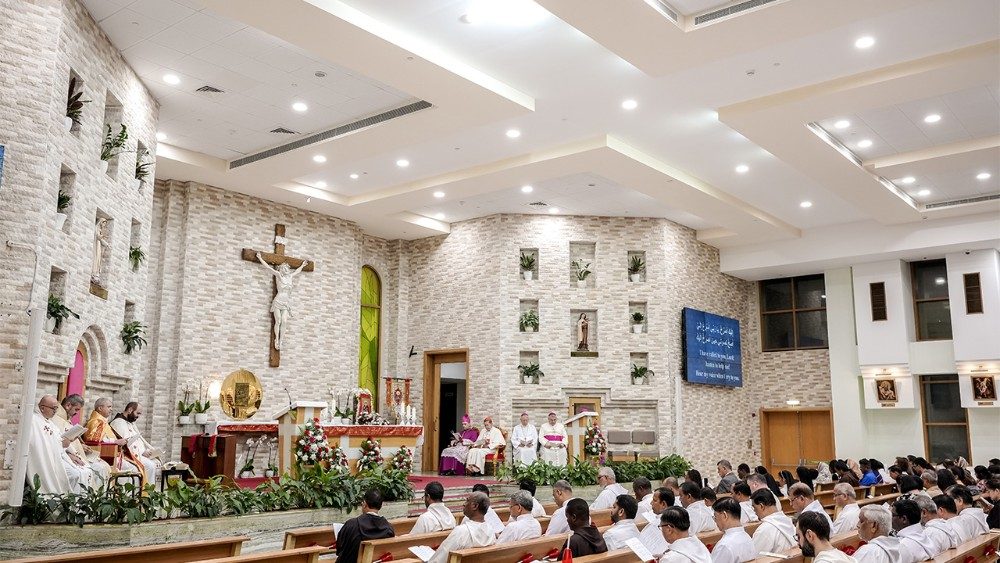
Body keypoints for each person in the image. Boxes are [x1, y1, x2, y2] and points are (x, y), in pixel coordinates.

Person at [83, 397, 146, 485]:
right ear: (100, 408)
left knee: (134, 467)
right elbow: (94, 441)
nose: (111, 409)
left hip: (110, 454)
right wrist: (116, 442)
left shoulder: (102, 421)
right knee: (133, 468)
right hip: (101, 455)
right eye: (109, 407)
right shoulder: (97, 422)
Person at [53, 393, 109, 489]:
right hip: (64, 455)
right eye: (76, 409)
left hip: (75, 453)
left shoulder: (66, 419)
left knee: (103, 466)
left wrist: (81, 446)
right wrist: (74, 450)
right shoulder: (57, 420)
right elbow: (58, 441)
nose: (76, 413)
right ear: (68, 405)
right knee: (92, 470)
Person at [27, 395, 77, 494]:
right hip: (44, 460)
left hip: (56, 457)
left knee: (78, 472)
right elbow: (37, 444)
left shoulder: (50, 423)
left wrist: (66, 444)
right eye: (53, 408)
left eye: (56, 408)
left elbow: (58, 442)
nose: (55, 411)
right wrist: (62, 445)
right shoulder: (34, 421)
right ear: (42, 408)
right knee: (73, 474)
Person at [428, 492, 496, 563]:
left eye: (467, 501)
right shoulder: (490, 530)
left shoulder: (461, 531)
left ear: (475, 506)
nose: (464, 504)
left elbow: (439, 559)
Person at [335, 489, 395, 563]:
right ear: (381, 505)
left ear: (364, 504)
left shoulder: (352, 525)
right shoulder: (388, 528)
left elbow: (339, 549)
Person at [110, 401, 161, 485]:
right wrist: (142, 453)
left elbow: (137, 440)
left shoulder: (130, 423)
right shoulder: (118, 423)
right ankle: (143, 491)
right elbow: (126, 444)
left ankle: (148, 490)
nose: (138, 416)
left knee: (155, 462)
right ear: (130, 410)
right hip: (126, 456)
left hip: (136, 454)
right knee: (150, 465)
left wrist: (145, 451)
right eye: (138, 413)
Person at [750, 488, 796, 555]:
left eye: (754, 507)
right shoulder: (788, 521)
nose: (754, 511)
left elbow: (753, 556)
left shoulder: (764, 529)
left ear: (761, 506)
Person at [710, 497, 754, 563]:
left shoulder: (724, 545)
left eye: (715, 517)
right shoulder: (747, 537)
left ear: (724, 515)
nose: (715, 520)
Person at [638, 487, 674, 555]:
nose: (651, 503)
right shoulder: (657, 521)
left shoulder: (667, 523)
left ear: (663, 504)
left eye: (654, 500)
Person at [892, 499, 929, 563]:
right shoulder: (925, 536)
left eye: (893, 515)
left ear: (904, 519)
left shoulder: (903, 545)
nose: (890, 518)